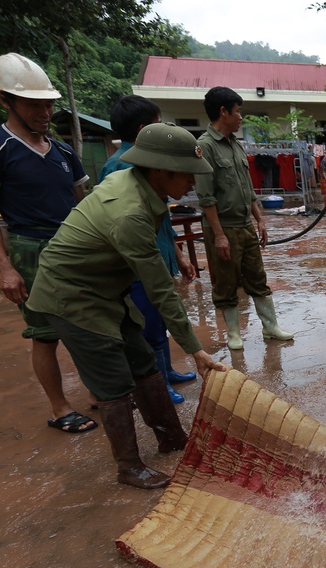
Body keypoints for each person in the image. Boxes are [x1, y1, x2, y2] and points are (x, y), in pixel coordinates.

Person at [26, 123, 227, 490]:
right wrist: (195, 349)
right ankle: (130, 467)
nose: (193, 184)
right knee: (113, 380)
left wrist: (179, 255)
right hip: (70, 294)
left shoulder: (142, 188)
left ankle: (172, 438)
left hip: (105, 288)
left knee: (142, 360)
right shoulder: (129, 210)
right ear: (159, 170)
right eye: (187, 175)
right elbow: (160, 290)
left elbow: (155, 249)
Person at [0, 53, 96, 435]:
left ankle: (99, 393)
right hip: (30, 247)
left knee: (90, 324)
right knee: (45, 332)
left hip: (72, 246)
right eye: (34, 104)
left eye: (48, 104)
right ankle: (60, 408)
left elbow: (83, 206)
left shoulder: (64, 152)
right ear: (4, 100)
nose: (44, 112)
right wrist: (4, 266)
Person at [100, 94, 198, 404]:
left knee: (159, 318)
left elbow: (162, 219)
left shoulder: (152, 167)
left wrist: (178, 256)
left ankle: (167, 370)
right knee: (148, 321)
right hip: (137, 261)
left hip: (159, 254)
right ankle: (155, 383)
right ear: (145, 130)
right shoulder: (121, 165)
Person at [195, 86, 294, 352]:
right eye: (237, 112)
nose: (241, 117)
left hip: (245, 225)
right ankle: (234, 333)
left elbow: (248, 188)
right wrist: (218, 235)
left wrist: (260, 219)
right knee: (226, 282)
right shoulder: (205, 147)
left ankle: (270, 328)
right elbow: (206, 198)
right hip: (223, 226)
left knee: (257, 277)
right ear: (223, 112)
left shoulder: (236, 146)